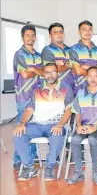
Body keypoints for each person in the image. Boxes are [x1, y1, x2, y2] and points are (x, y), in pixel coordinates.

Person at [13, 63, 74, 181]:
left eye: (53, 72)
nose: (50, 75)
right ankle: (29, 167)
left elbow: (69, 110)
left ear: (58, 73)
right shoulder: (37, 89)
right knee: (18, 134)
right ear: (43, 74)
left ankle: (49, 167)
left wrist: (60, 125)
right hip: (37, 124)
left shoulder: (66, 88)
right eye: (47, 72)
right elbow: (30, 109)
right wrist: (22, 123)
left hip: (55, 124)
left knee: (57, 136)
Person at [66, 66, 97, 185]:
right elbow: (77, 112)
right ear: (86, 78)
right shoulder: (81, 93)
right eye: (90, 76)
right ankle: (78, 172)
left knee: (93, 139)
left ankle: (96, 172)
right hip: (84, 125)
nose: (93, 79)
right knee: (75, 139)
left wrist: (95, 127)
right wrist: (78, 125)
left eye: (96, 76)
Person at [12, 25, 42, 171]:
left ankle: (32, 156)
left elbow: (43, 72)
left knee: (33, 128)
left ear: (35, 37)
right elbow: (24, 74)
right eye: (27, 35)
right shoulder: (20, 54)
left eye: (32, 35)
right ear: (22, 37)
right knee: (21, 129)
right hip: (24, 98)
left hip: (37, 98)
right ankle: (17, 160)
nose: (30, 38)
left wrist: (34, 70)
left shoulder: (38, 54)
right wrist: (36, 70)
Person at [70, 20, 97, 94]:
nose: (87, 32)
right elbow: (78, 71)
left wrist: (87, 67)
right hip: (80, 91)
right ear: (79, 32)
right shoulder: (74, 49)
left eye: (90, 29)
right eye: (84, 30)